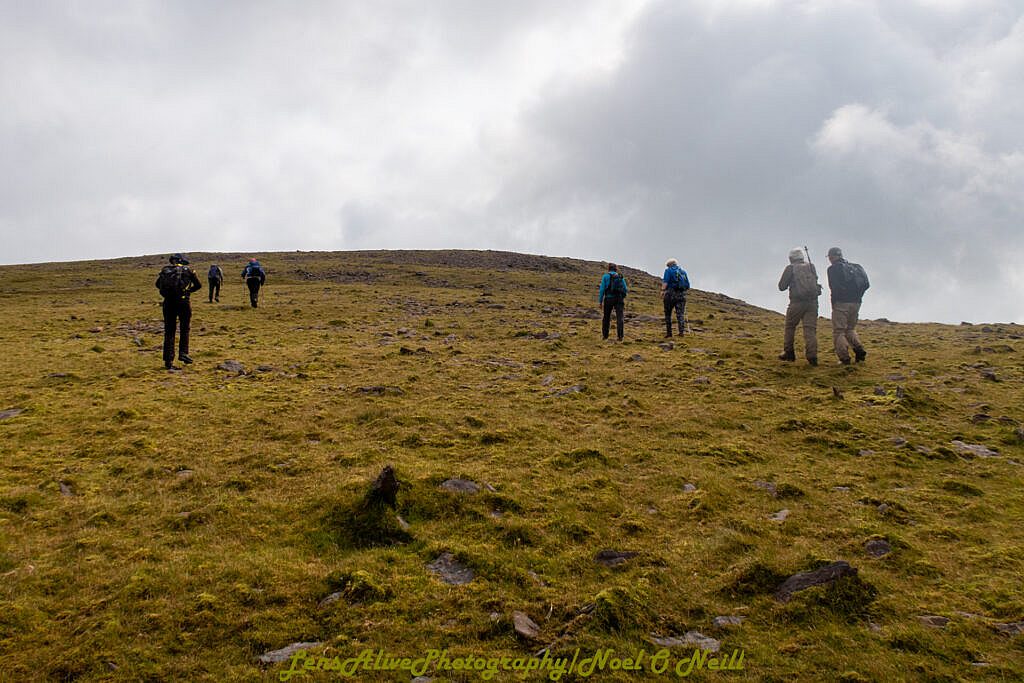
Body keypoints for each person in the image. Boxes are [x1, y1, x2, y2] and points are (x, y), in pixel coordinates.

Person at [155, 253, 201, 370]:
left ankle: (168, 360)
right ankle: (183, 353)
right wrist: (188, 291)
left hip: (168, 302)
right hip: (183, 302)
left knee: (169, 331)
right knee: (184, 328)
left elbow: (157, 284)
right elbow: (198, 285)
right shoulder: (188, 270)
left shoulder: (165, 270)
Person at [777, 247, 820, 366]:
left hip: (796, 302)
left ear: (791, 258)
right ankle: (812, 357)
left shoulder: (790, 268)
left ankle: (789, 353)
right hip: (812, 302)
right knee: (810, 330)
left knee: (790, 327)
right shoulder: (811, 266)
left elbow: (781, 286)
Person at [826, 247, 869, 365]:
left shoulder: (832, 269)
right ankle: (859, 350)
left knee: (839, 331)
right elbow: (866, 284)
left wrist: (835, 302)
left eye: (830, 256)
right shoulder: (856, 267)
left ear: (832, 257)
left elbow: (833, 287)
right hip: (856, 302)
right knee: (850, 329)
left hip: (841, 303)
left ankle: (844, 358)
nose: (829, 259)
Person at [598, 263, 628, 341]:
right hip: (619, 299)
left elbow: (602, 290)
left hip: (608, 298)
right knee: (620, 317)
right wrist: (622, 297)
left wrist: (600, 301)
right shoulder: (620, 277)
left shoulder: (605, 276)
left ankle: (605, 336)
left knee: (606, 317)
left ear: (608, 268)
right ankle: (620, 336)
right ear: (616, 269)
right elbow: (625, 289)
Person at [660, 258, 690, 337]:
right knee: (680, 314)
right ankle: (681, 332)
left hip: (670, 294)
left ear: (669, 265)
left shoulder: (668, 271)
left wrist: (662, 291)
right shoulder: (683, 272)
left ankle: (669, 333)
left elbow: (665, 282)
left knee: (668, 313)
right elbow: (687, 285)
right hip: (681, 295)